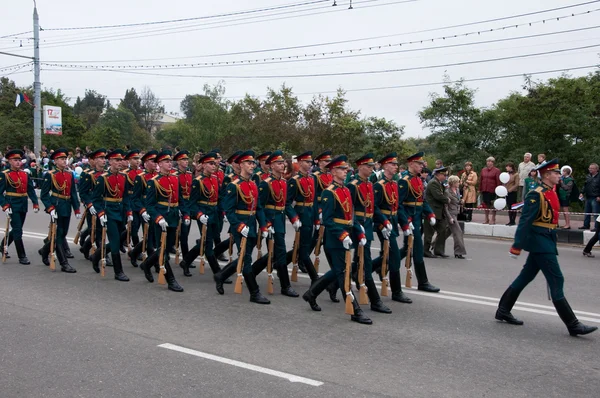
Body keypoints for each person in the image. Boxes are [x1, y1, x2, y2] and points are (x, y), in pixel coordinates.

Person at [495, 159, 597, 337]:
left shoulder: (550, 191)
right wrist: (517, 246)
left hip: (546, 240)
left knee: (525, 277)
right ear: (547, 175)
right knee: (557, 280)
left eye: (558, 173)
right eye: (556, 173)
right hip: (540, 243)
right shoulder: (536, 194)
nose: (559, 175)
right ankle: (573, 324)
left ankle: (503, 310)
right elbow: (525, 221)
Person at [301, 155, 372, 325]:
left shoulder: (346, 190)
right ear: (333, 171)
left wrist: (359, 233)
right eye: (342, 169)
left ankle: (312, 293)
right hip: (335, 238)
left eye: (346, 169)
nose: (345, 171)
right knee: (343, 273)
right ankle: (355, 310)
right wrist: (342, 235)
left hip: (347, 235)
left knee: (339, 270)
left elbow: (351, 216)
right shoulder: (328, 192)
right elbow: (328, 219)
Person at [213, 151, 270, 304]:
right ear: (242, 165)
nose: (252, 166)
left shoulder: (253, 184)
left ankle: (221, 276)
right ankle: (254, 292)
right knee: (246, 260)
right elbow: (229, 210)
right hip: (240, 227)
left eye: (253, 163)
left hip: (251, 225)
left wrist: (263, 227)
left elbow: (258, 208)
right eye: (249, 163)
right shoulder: (234, 186)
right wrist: (238, 226)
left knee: (244, 257)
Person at [347, 153, 392, 313]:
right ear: (360, 167)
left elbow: (373, 208)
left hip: (367, 225)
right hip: (357, 226)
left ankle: (320, 289)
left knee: (359, 262)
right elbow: (349, 209)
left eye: (372, 166)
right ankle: (375, 301)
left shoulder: (369, 185)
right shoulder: (353, 185)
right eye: (368, 166)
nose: (371, 169)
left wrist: (384, 222)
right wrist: (357, 228)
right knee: (364, 262)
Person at [250, 150, 299, 298]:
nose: (282, 165)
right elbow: (260, 206)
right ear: (271, 165)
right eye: (278, 163)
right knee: (280, 253)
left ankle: (251, 273)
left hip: (280, 221)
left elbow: (286, 204)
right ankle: (285, 285)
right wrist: (266, 224)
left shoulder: (283, 182)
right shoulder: (266, 184)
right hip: (271, 221)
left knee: (276, 253)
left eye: (282, 162)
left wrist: (294, 218)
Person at [139, 150, 187, 292]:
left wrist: (185, 214)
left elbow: (181, 200)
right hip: (161, 219)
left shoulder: (175, 179)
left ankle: (147, 264)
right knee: (163, 252)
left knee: (166, 248)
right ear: (159, 164)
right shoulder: (153, 182)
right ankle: (171, 280)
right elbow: (150, 205)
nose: (169, 163)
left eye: (170, 161)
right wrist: (158, 218)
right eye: (166, 161)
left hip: (173, 217)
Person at [179, 152, 231, 281]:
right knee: (208, 245)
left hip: (214, 212)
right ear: (203, 165)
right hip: (204, 214)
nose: (214, 166)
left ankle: (186, 261)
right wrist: (199, 215)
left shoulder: (214, 178)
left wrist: (223, 212)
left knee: (209, 240)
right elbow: (192, 203)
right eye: (210, 163)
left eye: (214, 163)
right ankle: (218, 273)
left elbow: (217, 198)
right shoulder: (198, 181)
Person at [371, 152, 412, 304]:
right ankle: (397, 291)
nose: (396, 167)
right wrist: (383, 222)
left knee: (387, 256)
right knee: (394, 256)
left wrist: (405, 224)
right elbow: (374, 207)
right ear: (385, 166)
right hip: (384, 225)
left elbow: (398, 207)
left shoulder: (394, 184)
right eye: (393, 164)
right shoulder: (379, 186)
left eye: (396, 164)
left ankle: (360, 273)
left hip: (392, 222)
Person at [398, 152, 440, 293]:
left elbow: (422, 200)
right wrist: (406, 221)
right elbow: (399, 205)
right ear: (411, 164)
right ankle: (423, 282)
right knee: (417, 249)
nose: (421, 166)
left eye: (422, 164)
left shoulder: (418, 180)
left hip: (417, 219)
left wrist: (430, 214)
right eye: (419, 164)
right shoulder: (404, 181)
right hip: (410, 219)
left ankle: (379, 266)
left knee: (406, 249)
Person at [90, 149, 131, 281]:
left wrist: (128, 212)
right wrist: (101, 213)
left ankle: (97, 255)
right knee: (114, 241)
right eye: (117, 160)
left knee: (119, 239)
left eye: (121, 160)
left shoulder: (123, 177)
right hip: (109, 212)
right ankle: (118, 272)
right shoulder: (103, 178)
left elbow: (125, 197)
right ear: (111, 161)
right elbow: (96, 199)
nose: (120, 163)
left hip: (120, 212)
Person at [38, 148, 81, 273]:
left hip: (66, 206)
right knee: (59, 235)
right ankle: (64, 263)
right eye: (61, 159)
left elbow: (73, 193)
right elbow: (44, 194)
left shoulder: (69, 174)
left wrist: (77, 209)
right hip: (56, 206)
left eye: (65, 159)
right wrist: (50, 208)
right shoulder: (50, 175)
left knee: (63, 233)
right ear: (55, 161)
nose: (64, 161)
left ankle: (44, 250)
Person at [0, 149, 40, 264]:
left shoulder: (24, 174)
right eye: (15, 160)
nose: (18, 162)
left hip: (22, 203)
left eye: (19, 160)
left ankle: (2, 246)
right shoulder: (5, 174)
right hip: (12, 204)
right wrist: (5, 205)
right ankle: (22, 256)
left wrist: (35, 203)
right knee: (18, 230)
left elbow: (30, 190)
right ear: (9, 161)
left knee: (17, 229)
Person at [286, 151, 320, 283]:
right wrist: (294, 218)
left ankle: (279, 262)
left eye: (311, 162)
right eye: (307, 162)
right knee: (304, 247)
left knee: (303, 245)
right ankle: (315, 278)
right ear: (300, 163)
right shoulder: (295, 181)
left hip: (310, 212)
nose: (310, 164)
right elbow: (287, 202)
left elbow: (315, 201)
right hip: (301, 212)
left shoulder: (312, 179)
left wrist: (316, 218)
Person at [423, 167, 450, 258]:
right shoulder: (433, 183)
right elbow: (438, 196)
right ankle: (425, 251)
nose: (445, 177)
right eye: (444, 175)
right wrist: (447, 200)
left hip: (439, 212)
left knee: (443, 230)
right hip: (432, 211)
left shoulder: (439, 183)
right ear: (438, 175)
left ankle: (439, 250)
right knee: (429, 233)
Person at [444, 175, 467, 259]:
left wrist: (461, 201)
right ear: (453, 183)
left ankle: (434, 245)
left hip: (456, 213)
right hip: (450, 214)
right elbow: (445, 206)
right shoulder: (447, 192)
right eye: (457, 182)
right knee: (458, 232)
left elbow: (456, 201)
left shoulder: (457, 190)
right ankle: (458, 252)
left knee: (446, 232)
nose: (459, 183)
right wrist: (449, 217)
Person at [579, 163, 600, 231]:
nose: (590, 169)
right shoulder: (588, 176)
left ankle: (597, 227)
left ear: (597, 169)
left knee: (596, 213)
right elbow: (585, 185)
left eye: (592, 168)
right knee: (586, 212)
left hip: (595, 197)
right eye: (589, 168)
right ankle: (586, 225)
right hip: (588, 196)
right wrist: (582, 192)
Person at [480, 157, 501, 225]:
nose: (488, 162)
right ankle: (486, 218)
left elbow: (498, 181)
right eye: (487, 161)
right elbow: (481, 179)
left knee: (492, 204)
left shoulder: (496, 170)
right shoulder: (483, 170)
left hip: (492, 190)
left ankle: (493, 218)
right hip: (484, 189)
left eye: (490, 161)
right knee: (486, 204)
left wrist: (498, 190)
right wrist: (480, 189)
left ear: (493, 162)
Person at [504, 162, 519, 226]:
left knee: (513, 206)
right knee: (509, 206)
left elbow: (516, 184)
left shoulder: (516, 174)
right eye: (506, 166)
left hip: (513, 192)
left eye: (507, 166)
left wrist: (510, 190)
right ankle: (510, 220)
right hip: (506, 192)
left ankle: (513, 220)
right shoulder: (506, 174)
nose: (506, 168)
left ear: (511, 167)